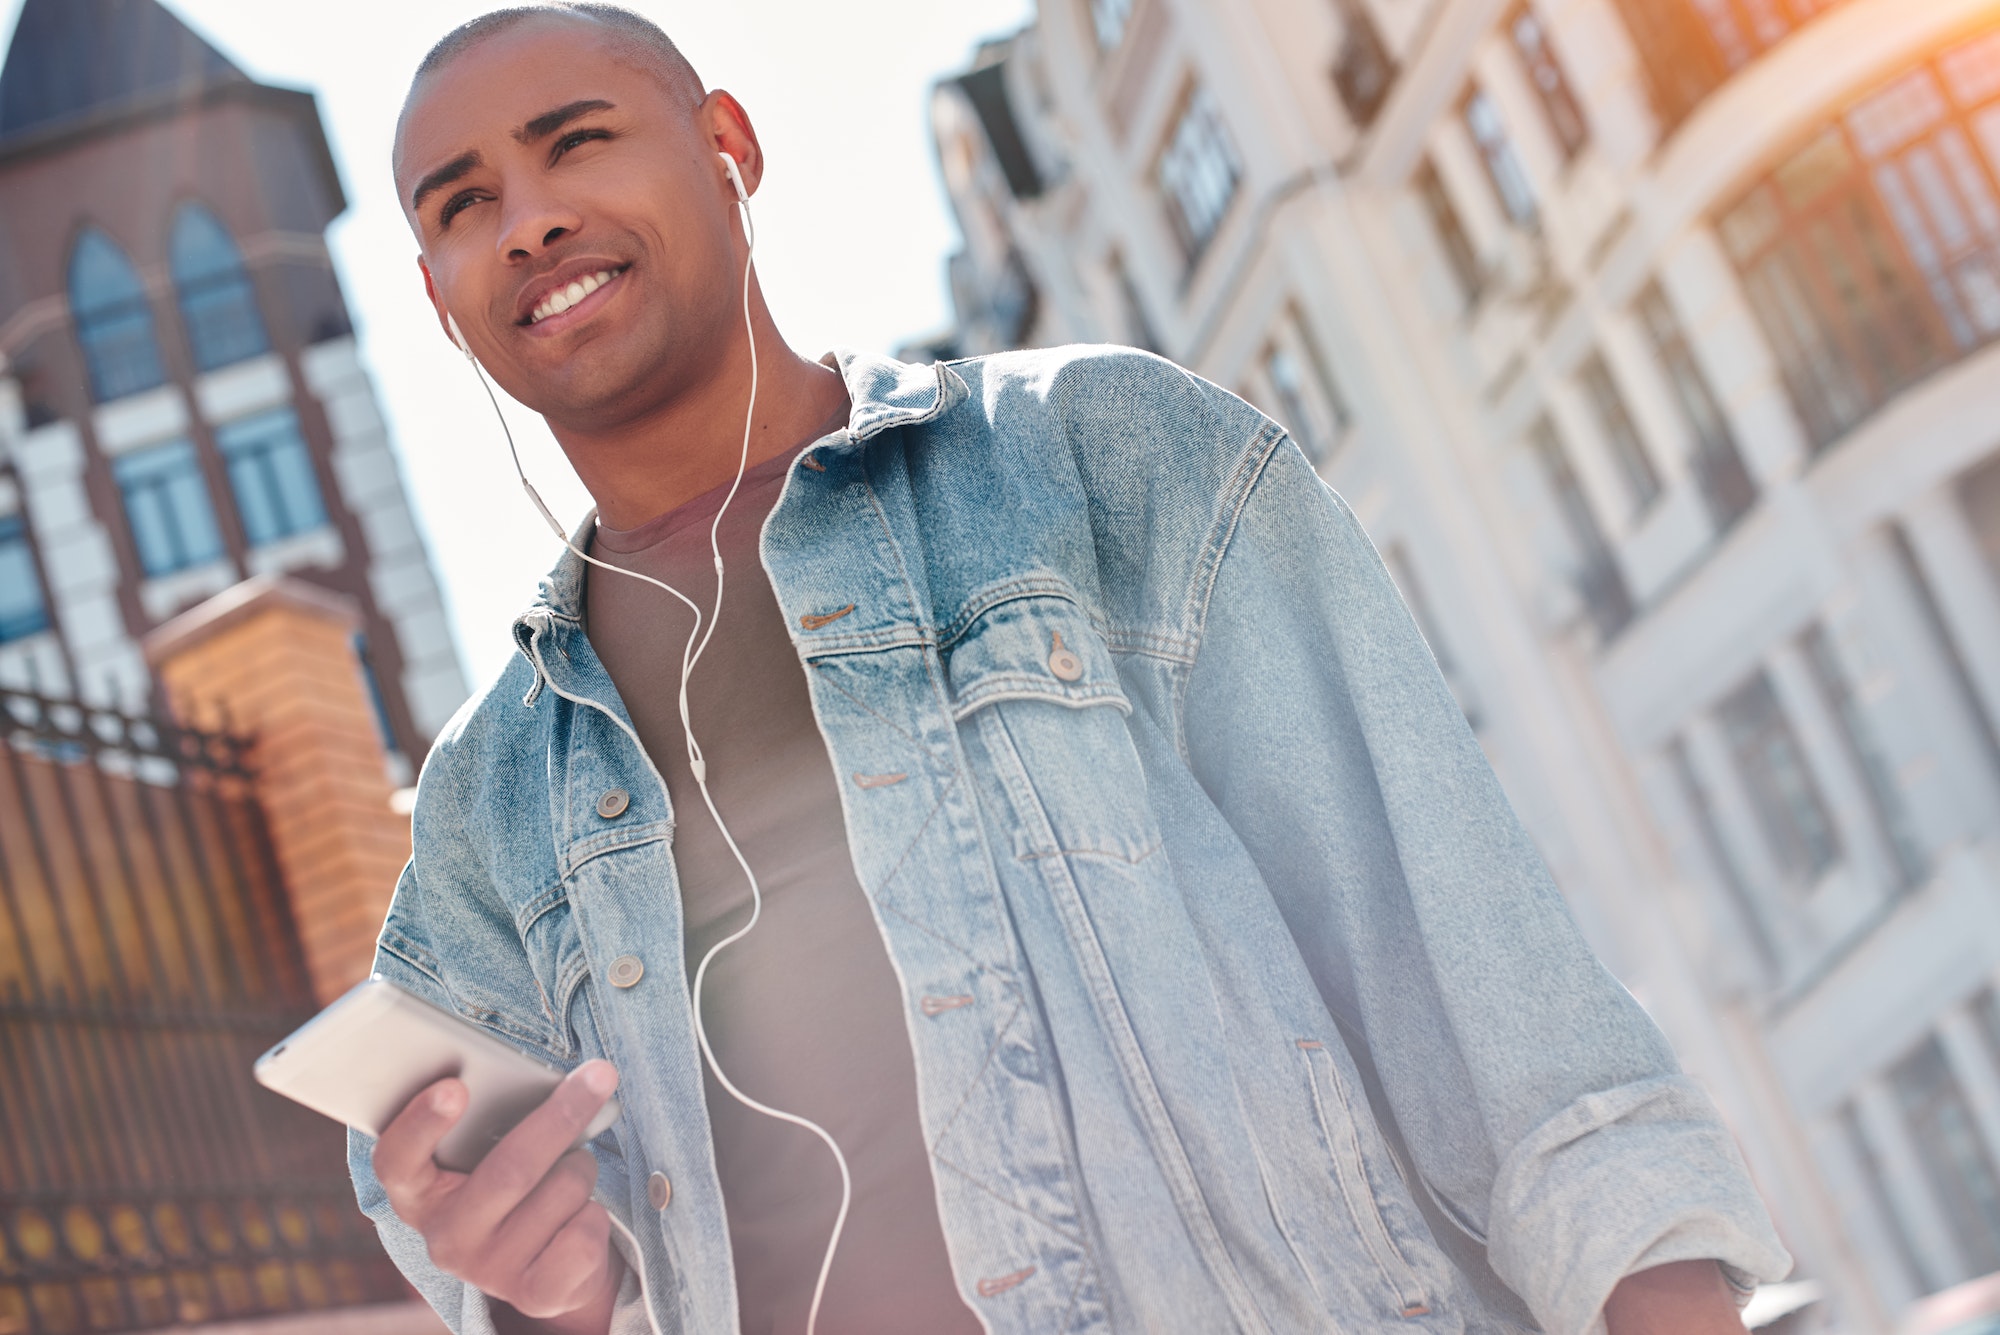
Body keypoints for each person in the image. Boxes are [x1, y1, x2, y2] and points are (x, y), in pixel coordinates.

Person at [352, 5, 1790, 1334]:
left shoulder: (1104, 455)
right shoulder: (486, 812)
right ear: (439, 296)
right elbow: (523, 1273)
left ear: (728, 147)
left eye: (575, 143)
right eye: (464, 205)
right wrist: (536, 1293)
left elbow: (1514, 1040)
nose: (528, 222)